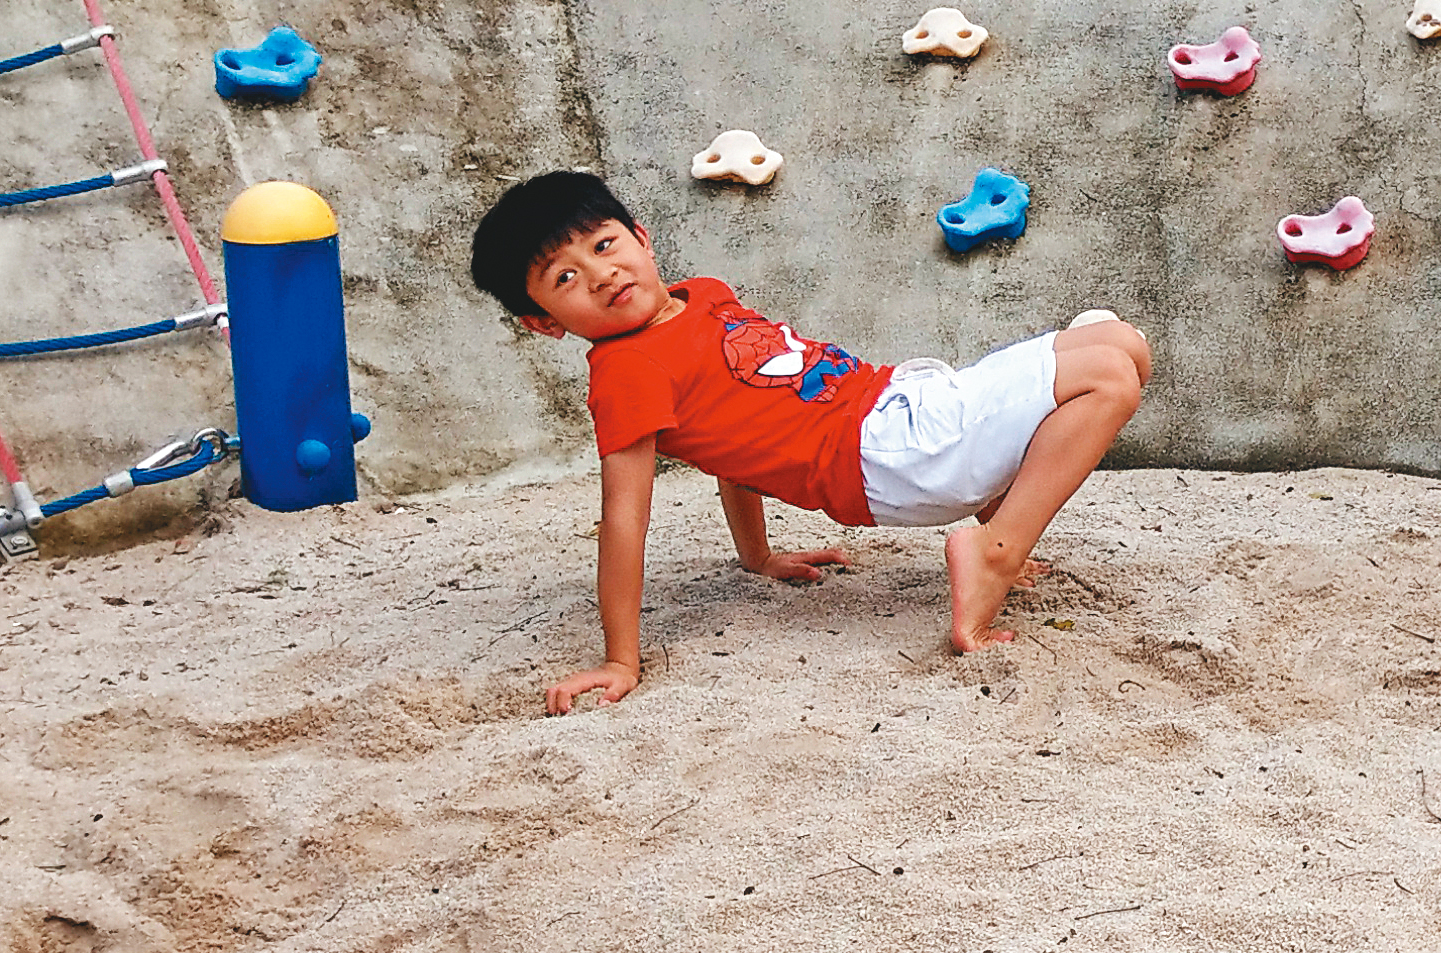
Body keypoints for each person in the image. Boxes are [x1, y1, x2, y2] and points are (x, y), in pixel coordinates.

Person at [465, 172, 1151, 713]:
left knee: (1122, 342)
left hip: (895, 405)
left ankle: (995, 518)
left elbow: (728, 440)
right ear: (543, 323)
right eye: (565, 278)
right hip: (888, 457)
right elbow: (624, 518)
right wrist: (621, 660)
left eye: (604, 245)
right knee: (1109, 381)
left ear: (641, 237)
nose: (600, 273)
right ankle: (993, 549)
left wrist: (757, 555)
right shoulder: (626, 373)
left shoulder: (701, 296)